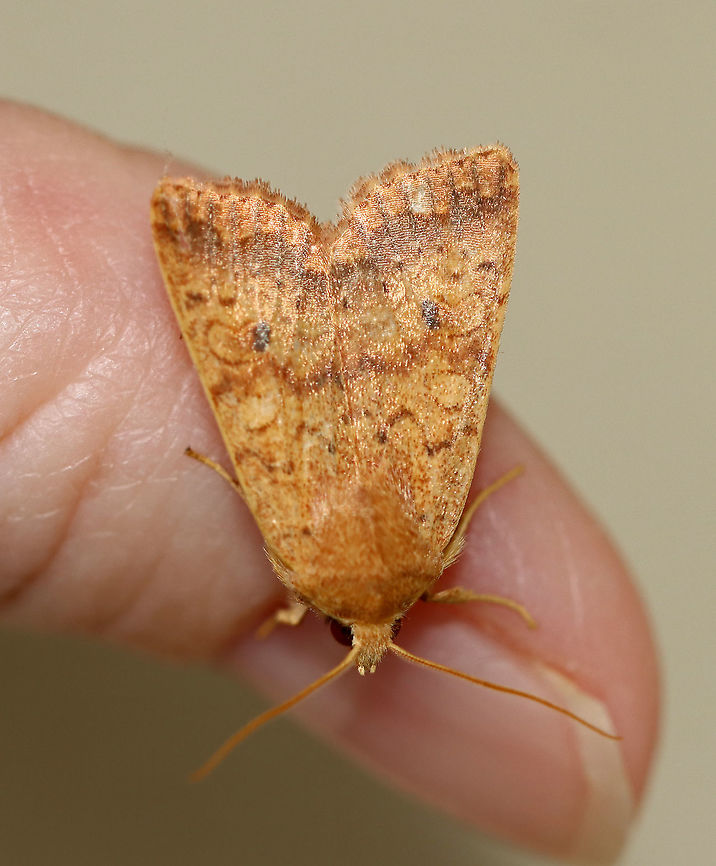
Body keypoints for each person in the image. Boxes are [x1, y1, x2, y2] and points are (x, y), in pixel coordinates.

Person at [0, 101, 659, 864]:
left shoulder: (390, 558)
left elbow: (272, 496)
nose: (368, 641)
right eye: (380, 628)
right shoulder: (308, 562)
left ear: (328, 618)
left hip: (290, 341)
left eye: (341, 633)